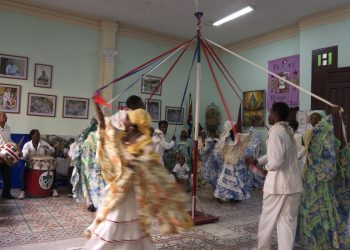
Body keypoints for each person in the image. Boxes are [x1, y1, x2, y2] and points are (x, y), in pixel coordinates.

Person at [84, 104, 192, 249]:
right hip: (119, 190)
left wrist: (130, 163)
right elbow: (109, 138)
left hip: (131, 193)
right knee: (112, 221)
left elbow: (143, 166)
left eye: (129, 119)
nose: (125, 122)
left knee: (122, 223)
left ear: (136, 124)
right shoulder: (124, 137)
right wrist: (100, 115)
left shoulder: (144, 144)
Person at [249, 102, 303, 250]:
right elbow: (275, 154)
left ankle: (263, 248)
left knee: (267, 220)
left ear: (276, 114)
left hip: (277, 187)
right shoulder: (288, 130)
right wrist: (258, 161)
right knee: (287, 223)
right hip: (293, 186)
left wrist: (265, 168)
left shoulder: (276, 132)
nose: (269, 115)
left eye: (271, 112)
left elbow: (277, 160)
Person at [296, 107, 350, 249]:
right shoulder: (309, 133)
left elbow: (329, 146)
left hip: (322, 179)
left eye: (316, 118)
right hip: (310, 178)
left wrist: (331, 114)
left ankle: (325, 238)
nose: (313, 120)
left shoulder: (326, 132)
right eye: (312, 118)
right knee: (309, 206)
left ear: (321, 119)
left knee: (323, 206)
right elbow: (304, 148)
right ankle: (311, 236)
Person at [19, 129, 57, 199]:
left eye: (39, 134)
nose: (38, 136)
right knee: (23, 173)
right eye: (36, 134)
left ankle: (54, 189)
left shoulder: (43, 143)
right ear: (31, 135)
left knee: (54, 171)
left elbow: (52, 150)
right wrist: (26, 153)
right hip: (30, 164)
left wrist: (49, 148)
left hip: (45, 165)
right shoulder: (27, 145)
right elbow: (23, 157)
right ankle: (23, 191)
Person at [0, 112, 15, 199]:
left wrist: (14, 145)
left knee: (7, 176)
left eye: (6, 116)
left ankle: (6, 194)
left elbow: (9, 140)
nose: (6, 117)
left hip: (6, 156)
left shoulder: (8, 128)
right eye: (4, 115)